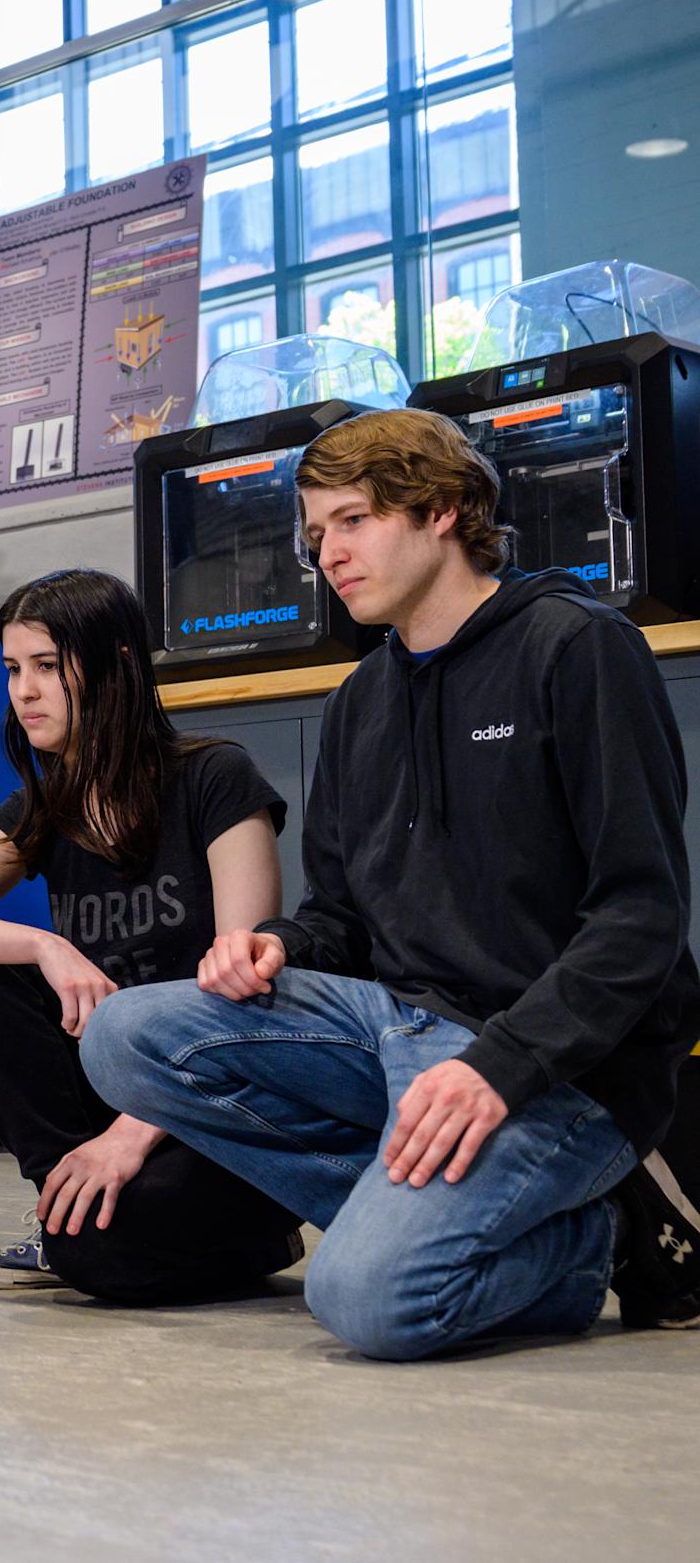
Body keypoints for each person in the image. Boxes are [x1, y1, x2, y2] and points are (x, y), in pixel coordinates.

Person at [82, 408, 700, 1356]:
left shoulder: (576, 648)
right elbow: (342, 914)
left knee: (367, 1301)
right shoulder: (360, 699)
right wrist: (280, 942)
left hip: (557, 1070)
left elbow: (641, 915)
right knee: (124, 1037)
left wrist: (499, 1068)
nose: (327, 553)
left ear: (444, 509)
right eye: (316, 532)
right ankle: (475, 1214)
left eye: (353, 521)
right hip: (395, 1031)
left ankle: (601, 1235)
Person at [0, 569, 304, 1301]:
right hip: (108, 1097)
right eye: (14, 670)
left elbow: (245, 998)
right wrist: (44, 946)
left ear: (115, 663)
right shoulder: (46, 806)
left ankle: (233, 1229)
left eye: (48, 667)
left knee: (102, 1258)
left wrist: (133, 1133)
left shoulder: (216, 778)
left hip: (215, 1106)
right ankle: (63, 1203)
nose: (24, 691)